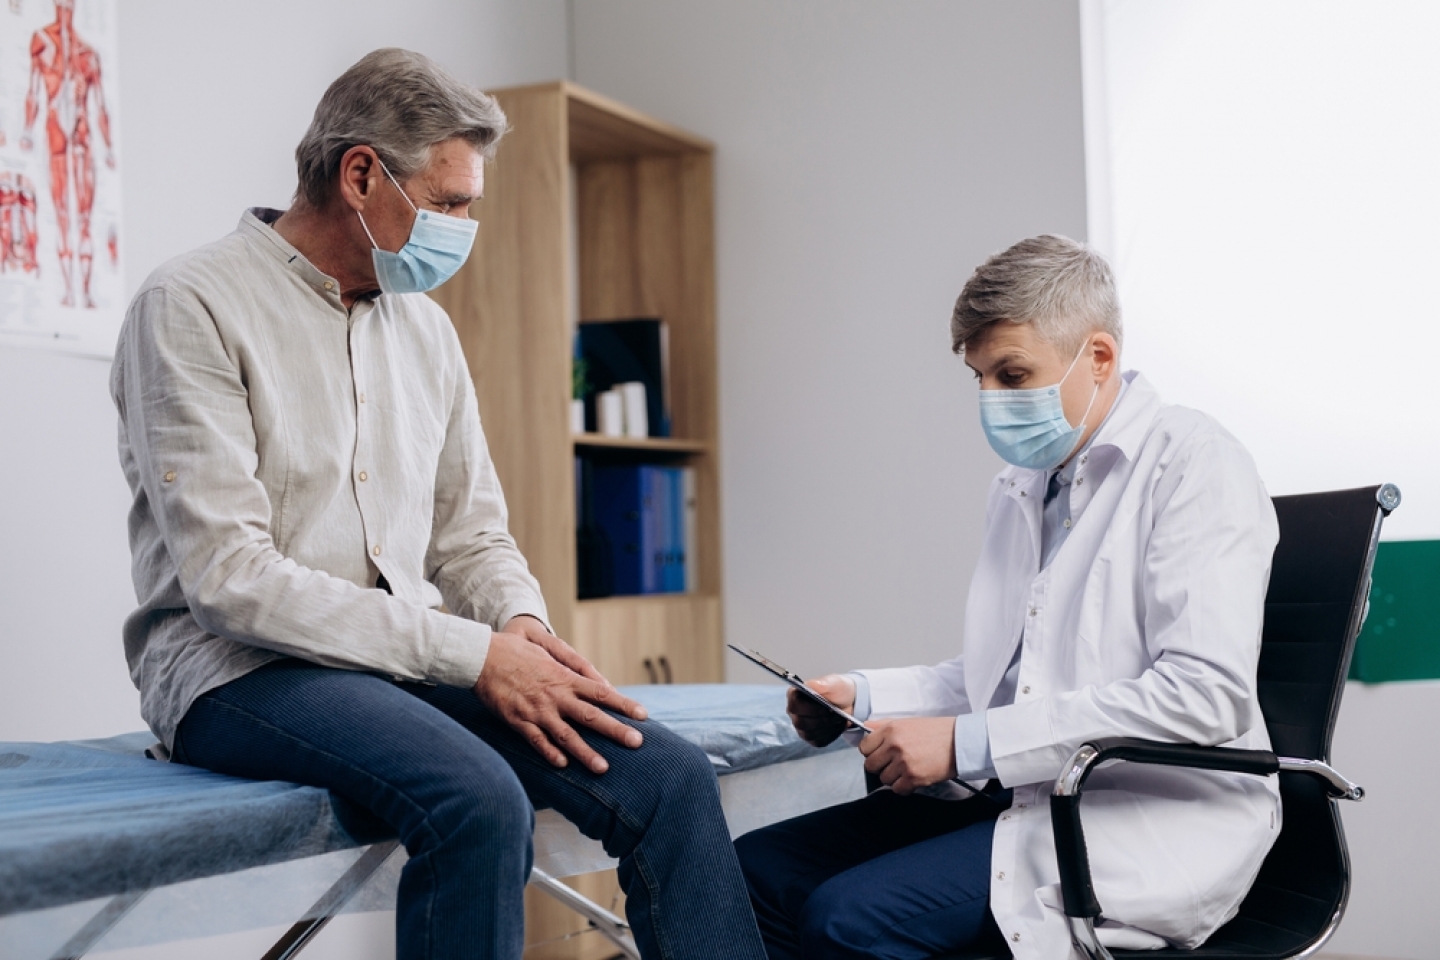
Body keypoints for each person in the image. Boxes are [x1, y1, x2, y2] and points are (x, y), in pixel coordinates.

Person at [110, 48, 765, 960]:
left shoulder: (424, 329)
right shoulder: (190, 305)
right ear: (362, 174)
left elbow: (471, 533)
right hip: (234, 669)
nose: (464, 226)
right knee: (477, 798)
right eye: (451, 202)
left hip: (398, 654)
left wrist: (521, 625)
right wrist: (474, 652)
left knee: (670, 778)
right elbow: (232, 581)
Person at [735, 235, 1281, 960]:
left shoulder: (1194, 462)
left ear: (1099, 358)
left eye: (1013, 373)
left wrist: (965, 743)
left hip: (1143, 818)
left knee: (846, 920)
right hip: (1029, 796)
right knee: (758, 871)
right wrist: (860, 696)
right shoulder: (1026, 487)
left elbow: (1203, 695)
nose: (990, 400)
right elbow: (997, 679)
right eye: (979, 378)